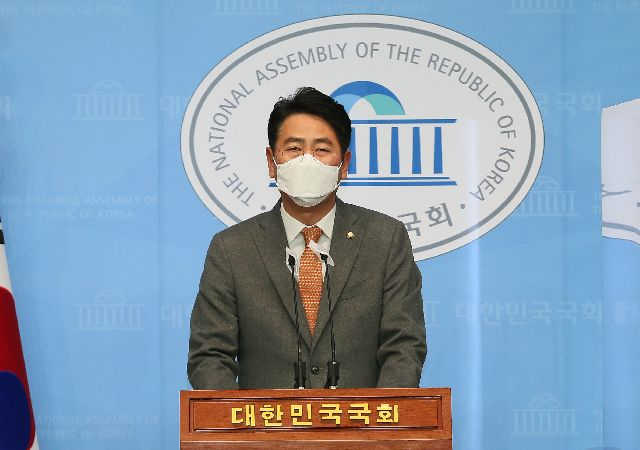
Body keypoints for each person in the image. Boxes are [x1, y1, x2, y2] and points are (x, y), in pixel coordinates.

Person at [187, 87, 426, 389]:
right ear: (272, 161)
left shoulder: (385, 239)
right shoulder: (232, 248)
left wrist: (378, 416)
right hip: (264, 420)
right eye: (294, 148)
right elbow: (209, 356)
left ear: (344, 164)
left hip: (360, 419)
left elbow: (404, 346)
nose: (307, 160)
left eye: (322, 149)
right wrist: (242, 418)